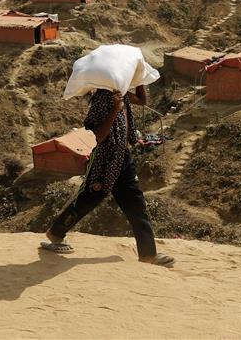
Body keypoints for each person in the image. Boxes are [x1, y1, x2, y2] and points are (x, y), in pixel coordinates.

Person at [42, 86, 175, 267]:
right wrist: (115, 109)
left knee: (136, 204)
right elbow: (99, 136)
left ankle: (148, 254)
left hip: (123, 157)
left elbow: (142, 101)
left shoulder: (123, 94)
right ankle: (56, 232)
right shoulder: (102, 100)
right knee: (89, 198)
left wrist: (139, 79)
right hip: (106, 158)